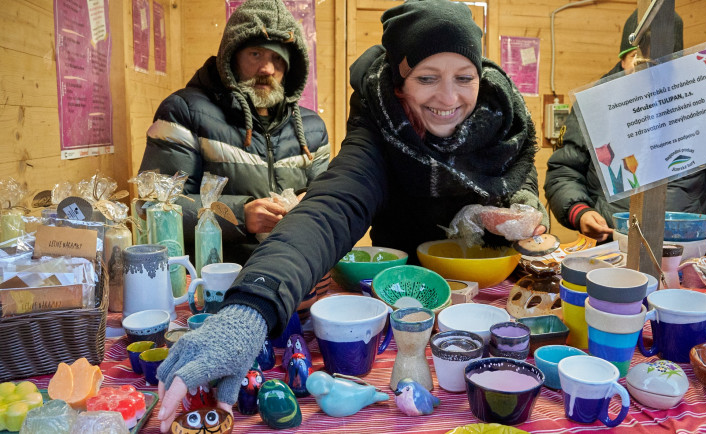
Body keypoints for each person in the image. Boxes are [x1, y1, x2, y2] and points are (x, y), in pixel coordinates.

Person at [155, 0, 548, 431]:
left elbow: (521, 180)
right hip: (398, 289)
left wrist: (522, 211)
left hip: (485, 294)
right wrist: (249, 308)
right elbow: (329, 209)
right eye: (427, 78)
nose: (449, 98)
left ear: (480, 74)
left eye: (464, 78)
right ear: (401, 81)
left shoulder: (504, 115)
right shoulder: (378, 122)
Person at [139, 0, 330, 265]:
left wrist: (314, 202)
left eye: (277, 58)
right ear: (231, 55)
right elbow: (153, 207)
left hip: (295, 270)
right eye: (256, 54)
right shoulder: (183, 112)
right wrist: (239, 214)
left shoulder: (312, 128)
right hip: (214, 278)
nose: (267, 69)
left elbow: (333, 200)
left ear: (290, 66)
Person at [545, 10, 706, 250]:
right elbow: (564, 171)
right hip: (608, 251)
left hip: (683, 257)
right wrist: (580, 212)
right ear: (623, 59)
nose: (647, 72)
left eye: (658, 64)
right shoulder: (596, 105)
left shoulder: (704, 107)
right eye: (638, 60)